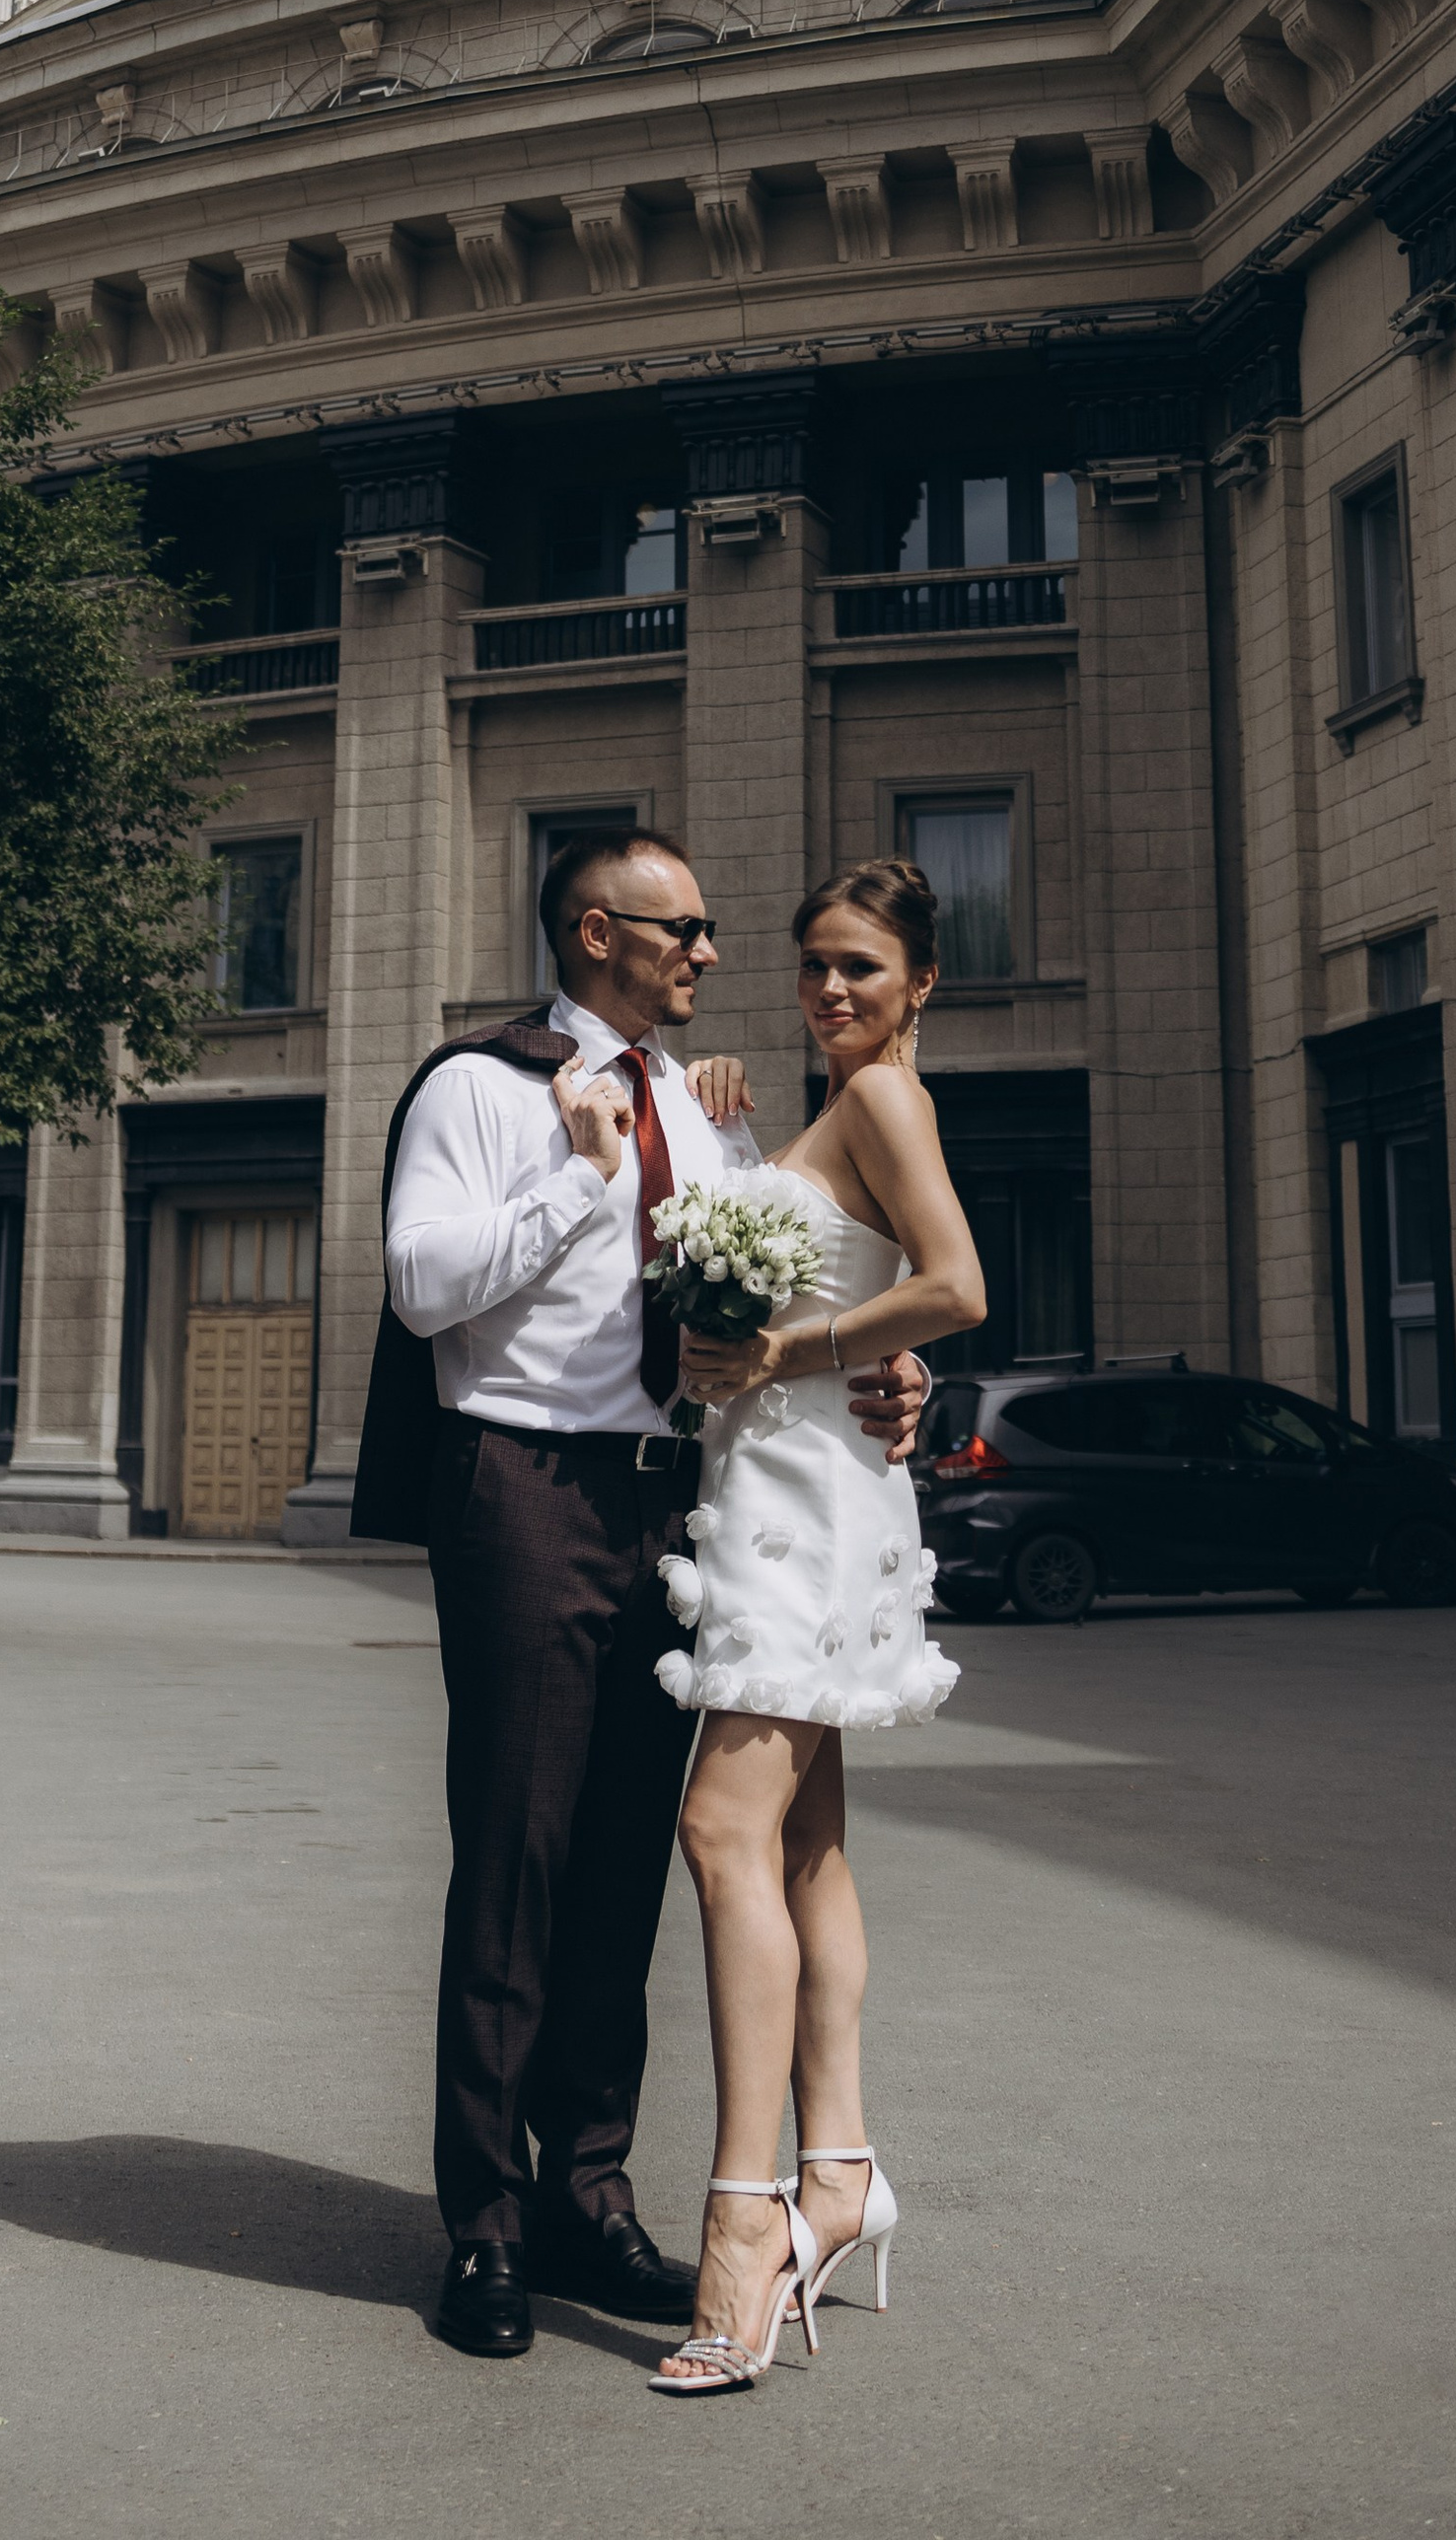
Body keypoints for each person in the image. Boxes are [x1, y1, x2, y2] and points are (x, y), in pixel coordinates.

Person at [373, 827, 931, 2361]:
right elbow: (423, 1287)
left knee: (625, 1861)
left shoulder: (708, 1109)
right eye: (685, 930)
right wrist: (578, 1176)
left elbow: (779, 1293)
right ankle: (485, 2228)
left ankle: (585, 2196)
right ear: (596, 931)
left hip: (673, 1503)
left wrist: (895, 1367)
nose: (709, 955)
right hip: (526, 1490)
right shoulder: (478, 1089)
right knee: (516, 1859)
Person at [646, 857, 988, 2397]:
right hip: (792, 1491)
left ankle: (742, 2228)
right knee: (801, 1848)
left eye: (862, 968)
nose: (832, 990)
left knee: (722, 1834)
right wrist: (720, 1129)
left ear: (922, 984)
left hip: (807, 1511)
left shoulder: (888, 1102)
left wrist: (791, 1347)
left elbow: (956, 1288)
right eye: (813, 968)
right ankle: (839, 2174)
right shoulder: (832, 1109)